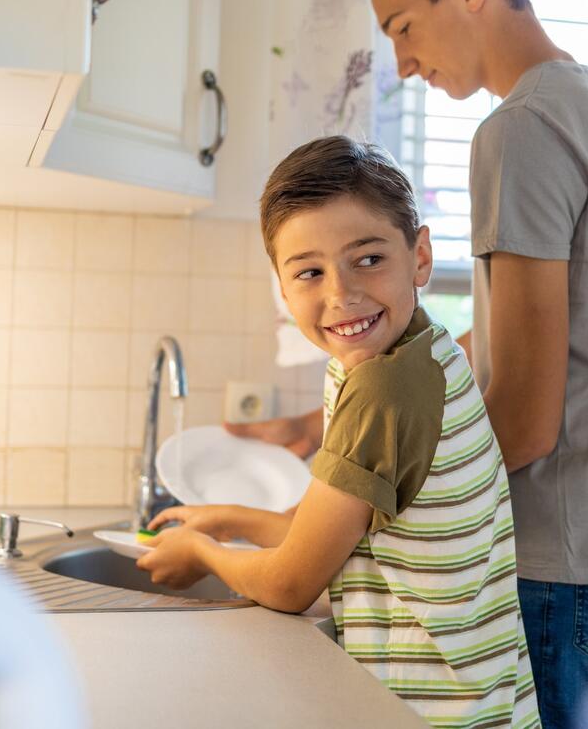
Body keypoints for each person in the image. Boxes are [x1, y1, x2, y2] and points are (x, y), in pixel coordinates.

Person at [229, 0, 588, 728]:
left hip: (583, 569)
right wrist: (344, 428)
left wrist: (356, 492)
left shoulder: (519, 131)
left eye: (401, 26)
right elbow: (549, 330)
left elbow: (527, 421)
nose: (402, 64)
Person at [138, 136, 541, 728]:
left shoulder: (384, 390)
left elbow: (292, 581)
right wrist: (226, 519)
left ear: (420, 256)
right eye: (309, 272)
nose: (341, 293)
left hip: (424, 710)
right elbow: (342, 533)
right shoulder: (424, 350)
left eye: (368, 259)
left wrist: (202, 553)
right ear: (282, 287)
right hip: (477, 703)